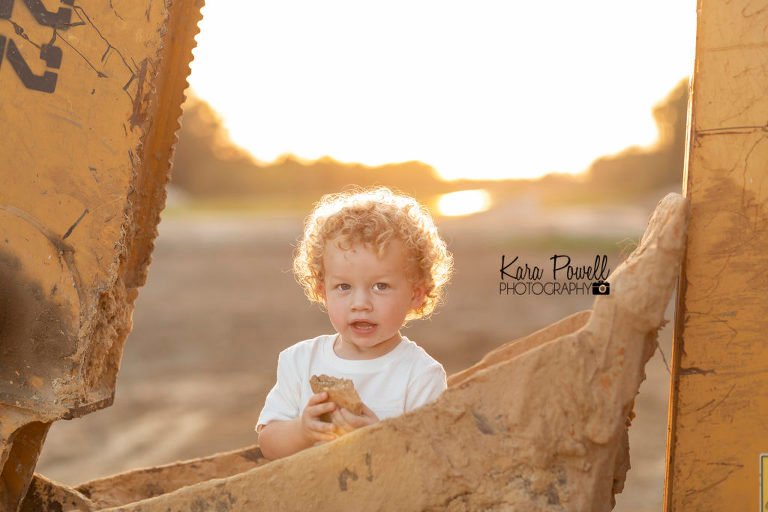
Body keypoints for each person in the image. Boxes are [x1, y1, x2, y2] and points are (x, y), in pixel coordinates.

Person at [256, 186, 453, 460]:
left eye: (381, 286)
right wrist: (303, 431)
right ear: (322, 291)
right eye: (344, 287)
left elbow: (433, 459)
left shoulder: (421, 375)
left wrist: (383, 439)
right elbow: (268, 444)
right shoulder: (299, 362)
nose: (360, 303)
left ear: (415, 295)